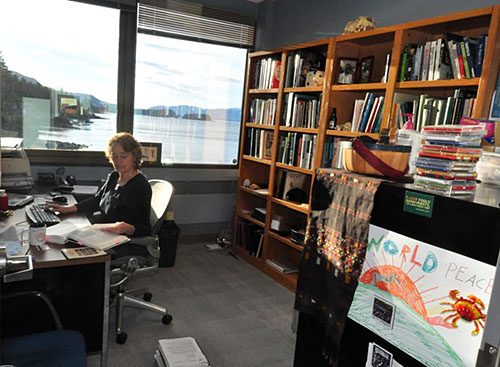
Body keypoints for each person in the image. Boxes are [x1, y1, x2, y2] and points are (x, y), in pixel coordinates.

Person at [47, 132, 152, 237]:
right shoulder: (114, 176)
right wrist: (67, 209)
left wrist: (127, 228)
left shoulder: (141, 186)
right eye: (114, 156)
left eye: (123, 156)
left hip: (120, 239)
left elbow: (144, 228)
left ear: (134, 156)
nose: (118, 161)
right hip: (101, 231)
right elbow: (97, 199)